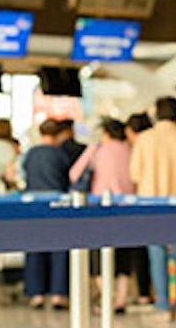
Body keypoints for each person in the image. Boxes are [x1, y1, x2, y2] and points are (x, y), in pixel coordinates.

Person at [130, 98, 176, 322]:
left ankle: (163, 305)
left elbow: (135, 173)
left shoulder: (145, 139)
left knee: (157, 253)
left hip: (152, 204)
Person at [70, 118, 135, 312]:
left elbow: (75, 174)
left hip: (100, 207)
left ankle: (107, 299)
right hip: (127, 207)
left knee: (99, 254)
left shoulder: (98, 149)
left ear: (105, 133)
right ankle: (121, 299)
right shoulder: (130, 149)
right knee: (123, 254)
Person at [21, 120, 73, 309]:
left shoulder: (31, 154)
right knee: (59, 249)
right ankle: (58, 294)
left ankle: (36, 294)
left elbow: (22, 175)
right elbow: (69, 178)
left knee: (35, 247)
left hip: (33, 205)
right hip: (57, 203)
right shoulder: (60, 154)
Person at [124, 112, 153, 304]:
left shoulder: (141, 144)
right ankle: (173, 300)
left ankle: (147, 294)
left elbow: (134, 175)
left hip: (144, 201)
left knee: (145, 250)